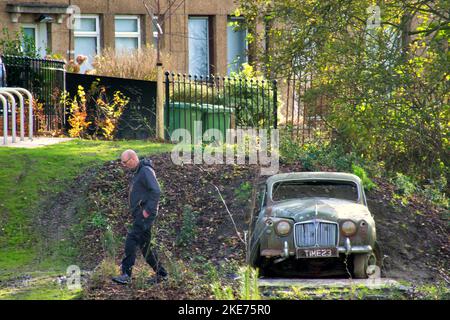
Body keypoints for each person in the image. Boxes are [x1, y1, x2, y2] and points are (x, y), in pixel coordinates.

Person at [112, 149, 168, 285]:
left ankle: (126, 274)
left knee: (131, 239)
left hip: (145, 214)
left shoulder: (145, 171)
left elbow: (156, 190)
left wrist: (147, 211)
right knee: (145, 246)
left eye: (125, 162)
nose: (124, 165)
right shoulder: (138, 172)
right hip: (140, 213)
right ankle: (161, 274)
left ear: (132, 159)